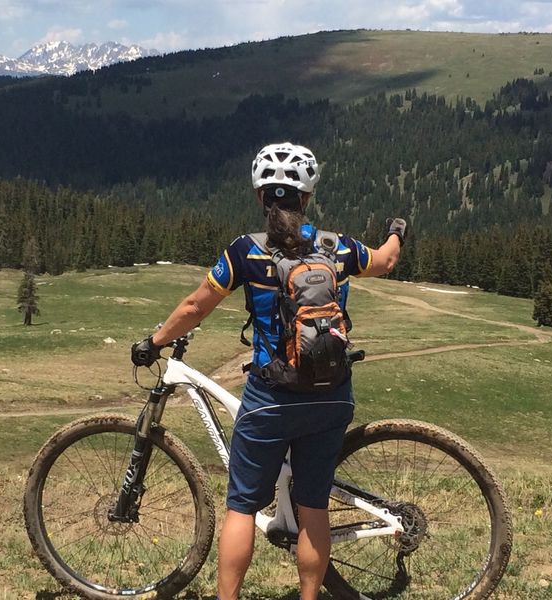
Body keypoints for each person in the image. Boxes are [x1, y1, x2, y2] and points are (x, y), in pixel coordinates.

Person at [131, 142, 406, 600]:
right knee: (312, 506)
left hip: (272, 399)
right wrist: (396, 231)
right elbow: (386, 260)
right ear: (307, 199)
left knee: (241, 507)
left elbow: (197, 305)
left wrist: (155, 341)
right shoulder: (338, 247)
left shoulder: (244, 252)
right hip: (331, 395)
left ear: (260, 196)